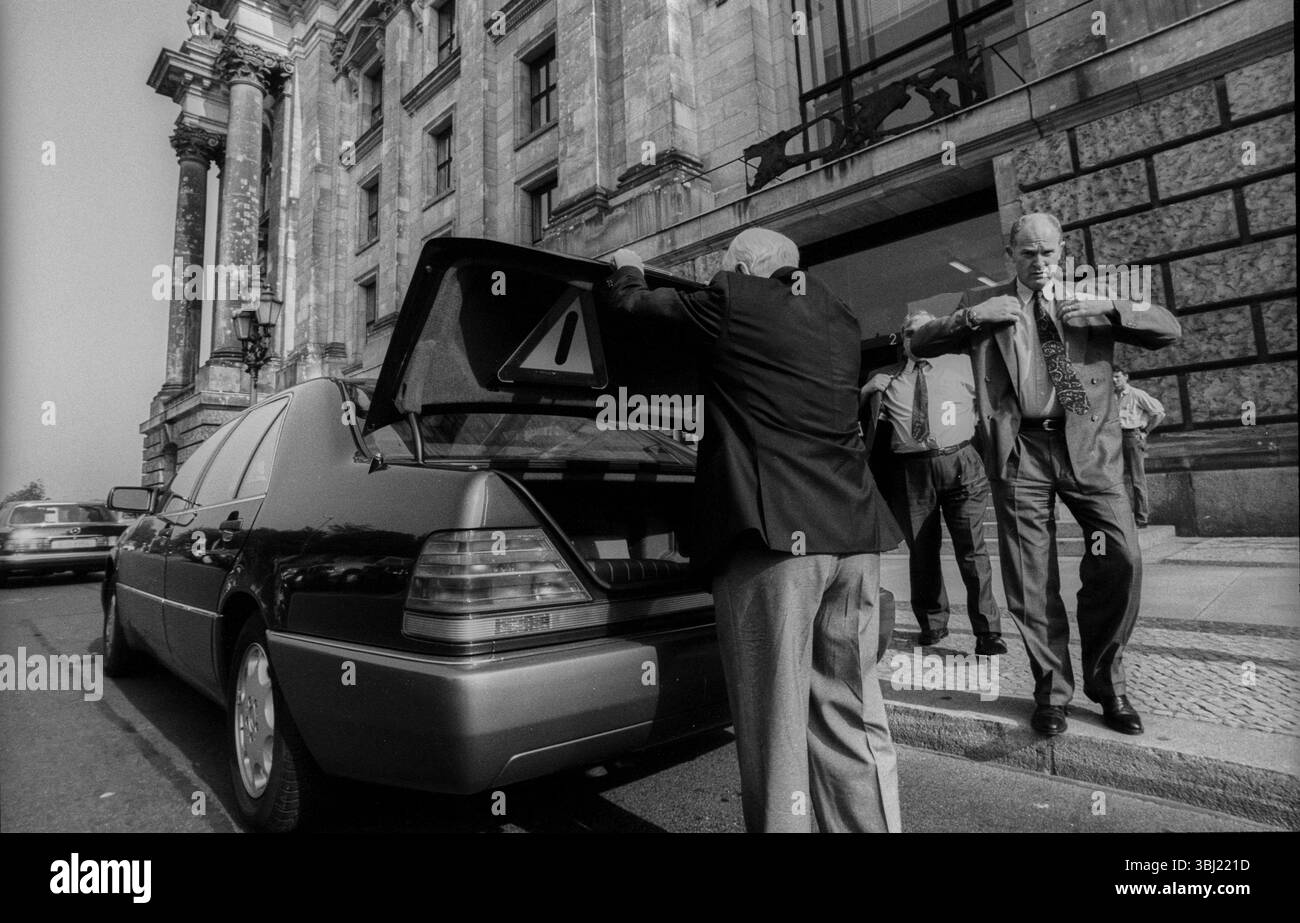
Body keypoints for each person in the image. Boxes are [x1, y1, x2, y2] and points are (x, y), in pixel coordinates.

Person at [600, 228, 904, 832]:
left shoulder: (735, 298)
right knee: (850, 710)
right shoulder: (839, 316)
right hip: (853, 538)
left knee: (776, 726)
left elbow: (632, 309)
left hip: (776, 546)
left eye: (724, 266)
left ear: (742, 264)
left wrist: (627, 267)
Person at [909, 212, 1181, 737]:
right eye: (1028, 253)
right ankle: (1051, 692)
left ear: (1064, 252)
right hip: (1021, 451)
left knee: (1121, 556)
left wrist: (1112, 307)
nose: (1040, 263)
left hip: (1090, 449)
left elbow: (1169, 328)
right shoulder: (983, 304)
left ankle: (1109, 685)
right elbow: (918, 344)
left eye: (1049, 252)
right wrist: (972, 318)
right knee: (1030, 579)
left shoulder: (1096, 296)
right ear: (1010, 255)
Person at [861, 311, 1005, 654]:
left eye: (926, 331)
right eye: (911, 333)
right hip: (912, 471)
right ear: (903, 339)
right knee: (922, 552)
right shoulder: (884, 378)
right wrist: (864, 392)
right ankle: (932, 624)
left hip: (961, 464)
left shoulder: (964, 365)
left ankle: (987, 631)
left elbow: (995, 408)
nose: (918, 338)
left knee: (972, 551)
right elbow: (858, 426)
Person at [1113, 368, 1166, 528]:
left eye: (1117, 377)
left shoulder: (1137, 394)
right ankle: (1120, 520)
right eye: (1112, 378)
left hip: (1132, 437)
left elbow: (1159, 413)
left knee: (1137, 479)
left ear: (1126, 377)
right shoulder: (1110, 396)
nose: (1114, 380)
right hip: (1114, 438)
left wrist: (1145, 431)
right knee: (1114, 480)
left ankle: (1141, 519)